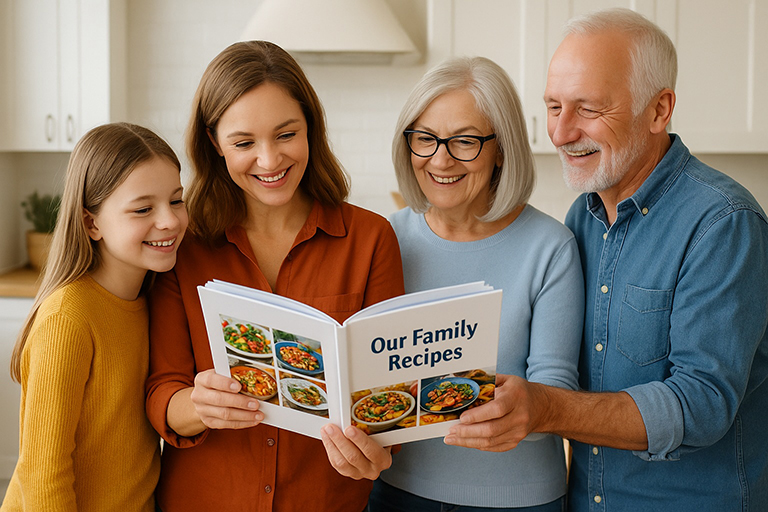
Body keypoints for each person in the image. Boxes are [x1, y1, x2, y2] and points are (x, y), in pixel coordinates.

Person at [444, 8, 768, 511]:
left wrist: (544, 408)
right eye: (554, 106)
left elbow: (702, 404)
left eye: (588, 109)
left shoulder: (723, 223)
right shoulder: (582, 217)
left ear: (659, 110)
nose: (561, 132)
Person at [144, 40, 404, 512]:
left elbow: (388, 410)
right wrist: (198, 406)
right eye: (244, 143)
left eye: (286, 134)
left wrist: (376, 453)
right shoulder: (184, 246)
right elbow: (162, 391)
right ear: (214, 143)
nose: (269, 161)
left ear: (311, 129)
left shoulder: (371, 239)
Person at [323, 56, 584, 511]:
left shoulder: (551, 247)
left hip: (518, 500)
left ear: (501, 149)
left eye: (464, 141)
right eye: (424, 139)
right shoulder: (387, 237)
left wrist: (515, 407)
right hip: (396, 493)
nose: (440, 159)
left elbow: (554, 395)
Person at [1, 123, 188, 511]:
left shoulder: (152, 298)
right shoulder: (68, 319)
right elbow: (42, 476)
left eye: (176, 200)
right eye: (143, 209)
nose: (169, 221)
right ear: (92, 223)